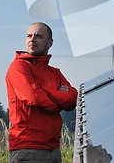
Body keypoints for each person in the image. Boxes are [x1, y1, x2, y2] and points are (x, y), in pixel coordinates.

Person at [6, 22, 78, 163]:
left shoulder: (55, 72)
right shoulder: (18, 67)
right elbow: (34, 97)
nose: (32, 39)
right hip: (27, 149)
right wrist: (58, 100)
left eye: (38, 36)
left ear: (50, 42)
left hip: (53, 149)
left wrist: (43, 89)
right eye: (29, 36)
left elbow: (72, 99)